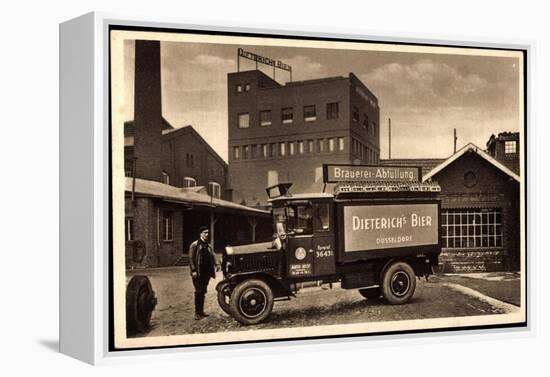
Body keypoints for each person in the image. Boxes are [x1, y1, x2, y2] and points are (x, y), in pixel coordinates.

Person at [188, 226, 218, 320]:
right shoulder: (195, 245)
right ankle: (197, 313)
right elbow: (190, 258)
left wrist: (217, 264)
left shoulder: (208, 246)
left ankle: (201, 312)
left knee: (203, 291)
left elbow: (213, 255)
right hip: (198, 272)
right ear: (200, 233)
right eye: (205, 232)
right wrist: (193, 270)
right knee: (198, 291)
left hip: (206, 273)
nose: (207, 234)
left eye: (208, 232)